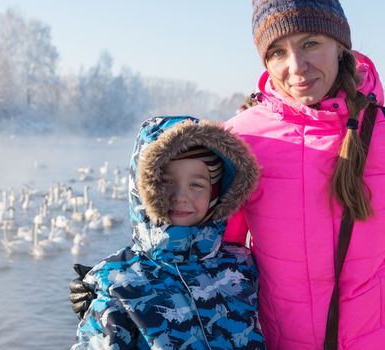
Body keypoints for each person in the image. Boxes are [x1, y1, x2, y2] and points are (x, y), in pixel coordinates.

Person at [70, 0, 385, 348]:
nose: (296, 66)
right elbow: (201, 250)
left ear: (340, 45)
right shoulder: (242, 141)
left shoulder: (380, 133)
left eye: (311, 43)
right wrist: (113, 288)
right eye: (278, 51)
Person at [71, 116, 265, 349]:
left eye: (197, 184)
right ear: (142, 188)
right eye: (165, 181)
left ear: (216, 194)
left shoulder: (240, 265)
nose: (181, 196)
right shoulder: (120, 283)